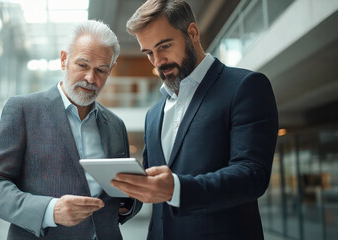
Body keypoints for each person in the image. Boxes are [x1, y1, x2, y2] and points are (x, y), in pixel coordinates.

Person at [110, 0, 279, 239]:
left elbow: (251, 175)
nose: (158, 61)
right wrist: (123, 198)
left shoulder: (244, 87)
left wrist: (177, 188)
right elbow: (154, 183)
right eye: (149, 53)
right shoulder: (153, 114)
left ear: (192, 33)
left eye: (164, 46)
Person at [0, 20, 141, 240]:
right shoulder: (23, 110)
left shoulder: (116, 125)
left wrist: (128, 203)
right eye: (83, 65)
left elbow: (122, 197)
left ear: (110, 71)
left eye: (101, 70)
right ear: (64, 60)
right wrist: (50, 210)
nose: (91, 78)